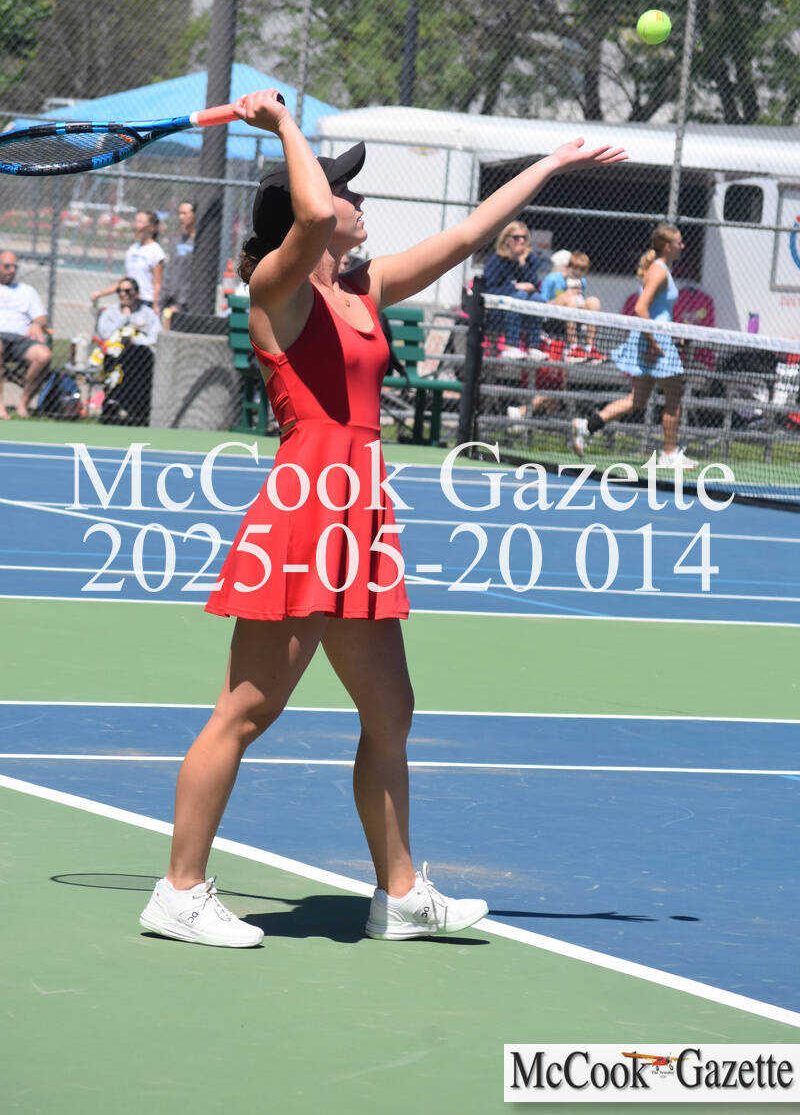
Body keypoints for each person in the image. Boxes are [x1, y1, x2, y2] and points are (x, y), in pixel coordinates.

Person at [138, 88, 626, 948]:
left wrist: (547, 166)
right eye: (342, 189)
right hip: (304, 510)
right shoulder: (276, 286)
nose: (355, 199)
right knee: (246, 711)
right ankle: (178, 891)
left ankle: (399, 895)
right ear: (310, 209)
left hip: (358, 514)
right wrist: (284, 126)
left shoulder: (365, 290)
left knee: (391, 710)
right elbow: (312, 212)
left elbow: (467, 237)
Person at [571, 224, 698, 470]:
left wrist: (675, 332)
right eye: (679, 243)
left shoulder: (659, 270)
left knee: (637, 400)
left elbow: (657, 311)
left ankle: (587, 426)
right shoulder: (659, 271)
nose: (682, 246)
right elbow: (641, 308)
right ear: (668, 247)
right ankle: (669, 454)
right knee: (674, 397)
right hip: (655, 343)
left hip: (654, 339)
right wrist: (653, 343)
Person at [96, 278, 160, 425]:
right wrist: (124, 318)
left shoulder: (148, 313)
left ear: (136, 293)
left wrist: (135, 341)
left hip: (141, 360)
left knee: (138, 353)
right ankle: (114, 404)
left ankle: (132, 410)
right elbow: (104, 333)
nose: (123, 294)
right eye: (119, 291)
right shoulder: (110, 312)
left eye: (127, 291)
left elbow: (156, 337)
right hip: (114, 358)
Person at [0, 250, 52, 419]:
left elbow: (41, 318)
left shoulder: (26, 291)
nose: (11, 270)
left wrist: (37, 324)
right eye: (7, 266)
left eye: (15, 267)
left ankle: (23, 403)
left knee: (43, 355)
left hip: (21, 340)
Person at [482, 221, 543, 357]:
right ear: (507, 240)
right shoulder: (496, 260)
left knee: (537, 298)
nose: (521, 241)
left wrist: (522, 263)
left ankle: (533, 347)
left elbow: (534, 285)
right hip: (498, 309)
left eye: (524, 237)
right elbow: (489, 289)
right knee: (520, 295)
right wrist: (515, 287)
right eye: (516, 237)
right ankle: (510, 346)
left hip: (523, 306)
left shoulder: (529, 259)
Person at [92, 210, 166, 313]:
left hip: (145, 302)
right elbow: (125, 280)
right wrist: (101, 293)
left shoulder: (156, 251)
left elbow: (157, 283)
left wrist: (155, 306)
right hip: (129, 301)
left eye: (140, 222)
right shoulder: (132, 249)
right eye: (136, 221)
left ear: (152, 227)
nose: (136, 225)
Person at [542, 250, 602, 361]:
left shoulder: (582, 281)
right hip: (552, 319)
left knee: (594, 301)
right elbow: (543, 305)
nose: (579, 272)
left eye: (582, 270)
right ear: (568, 266)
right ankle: (573, 347)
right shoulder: (552, 278)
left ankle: (590, 348)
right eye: (575, 268)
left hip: (574, 318)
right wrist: (566, 296)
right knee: (572, 300)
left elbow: (580, 302)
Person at [160, 200, 195, 325]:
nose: (181, 217)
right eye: (180, 213)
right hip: (171, 295)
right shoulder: (176, 239)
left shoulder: (198, 241)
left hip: (189, 297)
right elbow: (170, 269)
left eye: (185, 213)